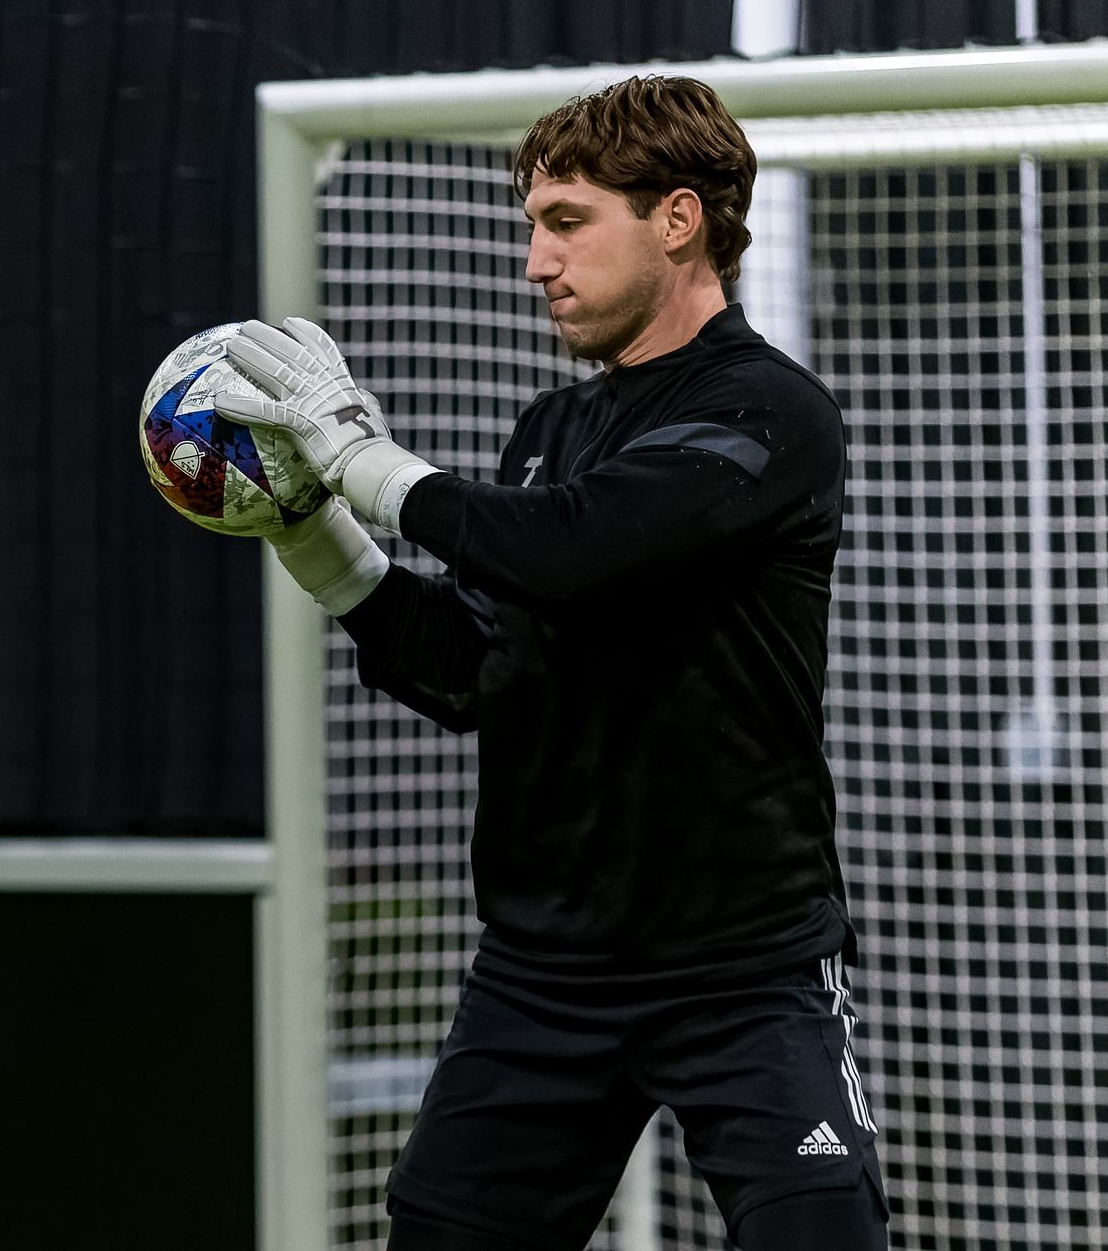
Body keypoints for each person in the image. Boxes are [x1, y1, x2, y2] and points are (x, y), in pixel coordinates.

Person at [213, 75, 888, 1251]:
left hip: (743, 968)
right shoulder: (552, 432)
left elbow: (575, 552)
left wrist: (362, 457)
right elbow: (476, 670)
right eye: (532, 225)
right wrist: (315, 536)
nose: (536, 260)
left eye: (565, 221)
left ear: (676, 220)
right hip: (544, 971)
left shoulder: (772, 410)